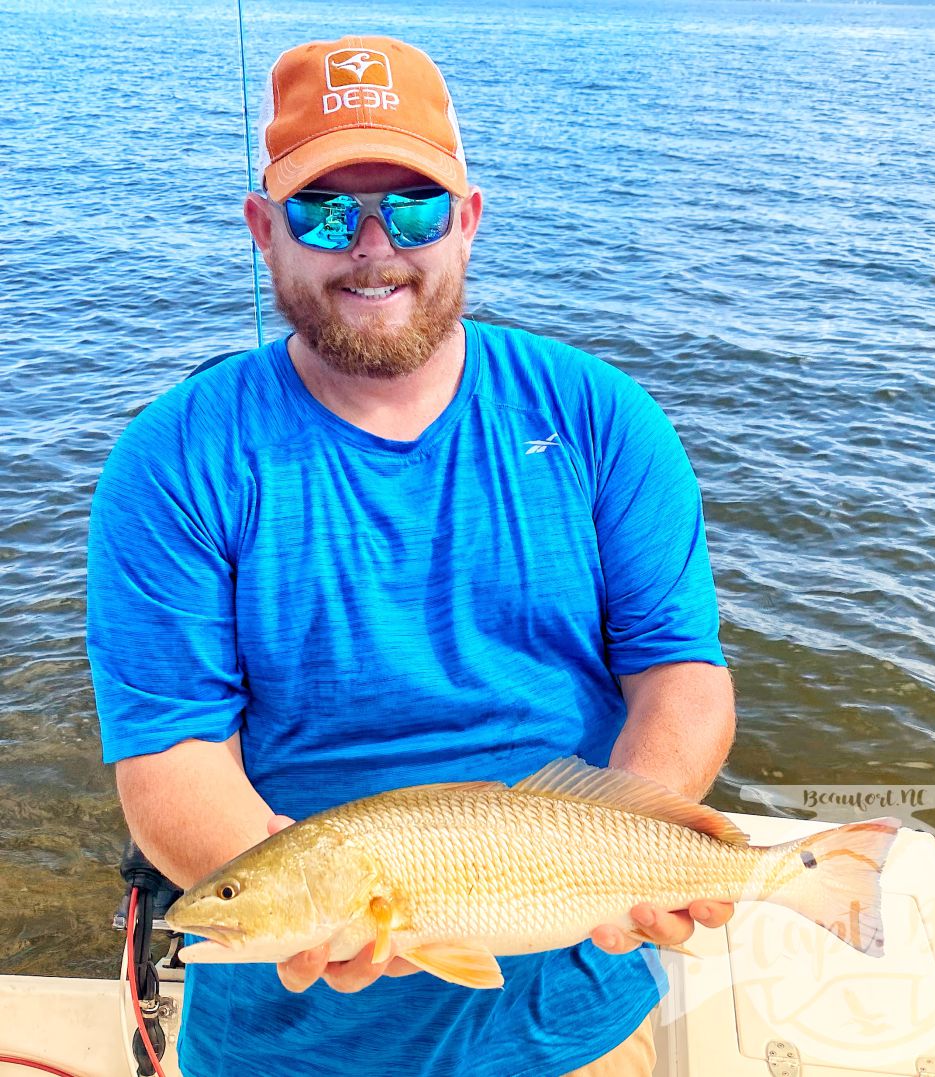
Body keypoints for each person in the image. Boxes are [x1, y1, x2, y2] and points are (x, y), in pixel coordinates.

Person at [86, 34, 736, 1077]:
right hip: (283, 1043)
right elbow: (167, 756)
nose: (375, 246)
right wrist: (309, 910)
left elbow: (680, 672)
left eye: (416, 207)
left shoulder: (605, 419)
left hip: (576, 1020)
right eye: (326, 212)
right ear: (265, 230)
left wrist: (635, 837)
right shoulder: (175, 460)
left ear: (469, 219)